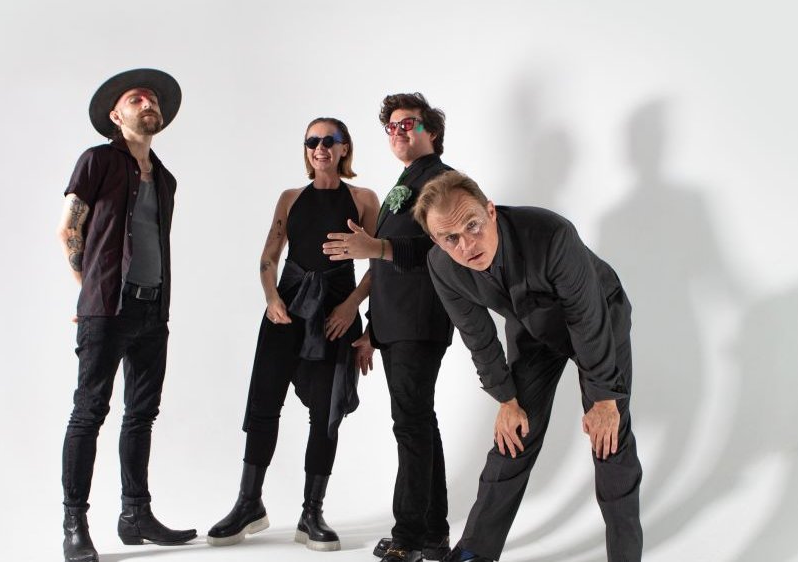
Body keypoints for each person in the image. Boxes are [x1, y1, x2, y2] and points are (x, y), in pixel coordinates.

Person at [414, 171, 643, 562]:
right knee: (512, 439)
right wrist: (506, 398)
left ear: (490, 212)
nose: (466, 244)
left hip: (598, 317)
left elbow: (587, 318)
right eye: (450, 238)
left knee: (610, 444)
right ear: (436, 240)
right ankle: (473, 554)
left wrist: (605, 399)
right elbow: (478, 336)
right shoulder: (442, 266)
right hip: (532, 330)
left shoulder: (552, 234)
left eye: (473, 225)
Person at [207, 117, 380, 552]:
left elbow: (381, 264)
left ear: (344, 148)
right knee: (263, 406)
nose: (319, 147)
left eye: (328, 141)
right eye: (311, 141)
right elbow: (269, 257)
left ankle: (312, 512)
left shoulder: (363, 199)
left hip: (335, 316)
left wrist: (350, 306)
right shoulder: (288, 198)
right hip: (285, 312)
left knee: (324, 415)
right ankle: (249, 504)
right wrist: (270, 297)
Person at [56, 68, 196, 562]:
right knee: (89, 412)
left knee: (141, 415)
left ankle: (135, 513)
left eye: (153, 98)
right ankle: (75, 522)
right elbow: (69, 232)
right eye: (137, 98)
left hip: (153, 311)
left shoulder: (166, 179)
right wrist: (90, 292)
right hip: (106, 309)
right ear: (117, 115)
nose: (148, 103)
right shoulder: (97, 160)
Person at [323, 93, 454, 562]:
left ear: (431, 132)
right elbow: (390, 270)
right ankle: (435, 537)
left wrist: (374, 247)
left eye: (409, 125)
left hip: (422, 325)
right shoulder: (406, 182)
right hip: (397, 326)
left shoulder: (443, 181)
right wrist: (373, 332)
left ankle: (409, 539)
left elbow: (439, 250)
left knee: (411, 427)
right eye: (392, 127)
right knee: (420, 426)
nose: (398, 132)